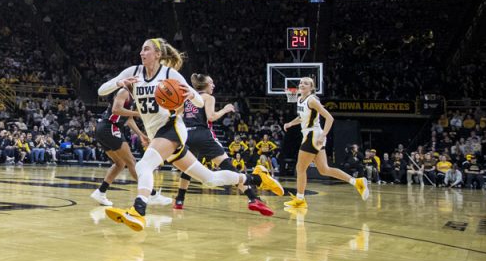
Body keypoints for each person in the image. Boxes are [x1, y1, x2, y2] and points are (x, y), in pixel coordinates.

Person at [96, 38, 283, 232]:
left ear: (158, 54)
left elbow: (200, 103)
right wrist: (120, 82)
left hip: (173, 127)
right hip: (156, 133)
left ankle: (138, 210)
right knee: (210, 179)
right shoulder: (133, 72)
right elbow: (101, 90)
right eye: (141, 50)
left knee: (144, 165)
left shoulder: (169, 74)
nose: (142, 53)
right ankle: (257, 178)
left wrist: (191, 95)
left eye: (146, 49)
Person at [172, 73, 271, 214]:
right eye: (211, 83)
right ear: (205, 85)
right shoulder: (208, 97)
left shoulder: (188, 98)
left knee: (188, 170)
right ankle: (253, 198)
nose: (213, 85)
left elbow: (177, 114)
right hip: (202, 134)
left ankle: (179, 200)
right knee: (228, 167)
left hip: (187, 135)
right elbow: (211, 117)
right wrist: (225, 109)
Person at [281, 77, 370, 210]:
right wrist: (290, 123)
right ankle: (356, 182)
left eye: (306, 83)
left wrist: (323, 135)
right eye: (300, 82)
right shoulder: (300, 99)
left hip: (313, 135)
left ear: (311, 88)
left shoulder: (312, 100)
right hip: (311, 135)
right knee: (324, 169)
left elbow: (329, 118)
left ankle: (300, 199)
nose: (302, 84)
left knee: (300, 168)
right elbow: (302, 117)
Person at [89, 85, 167, 207]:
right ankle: (151, 194)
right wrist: (139, 113)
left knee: (120, 164)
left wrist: (141, 135)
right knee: (131, 161)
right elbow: (116, 110)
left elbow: (129, 120)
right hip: (109, 127)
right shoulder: (124, 91)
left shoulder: (133, 96)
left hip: (105, 128)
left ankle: (100, 192)